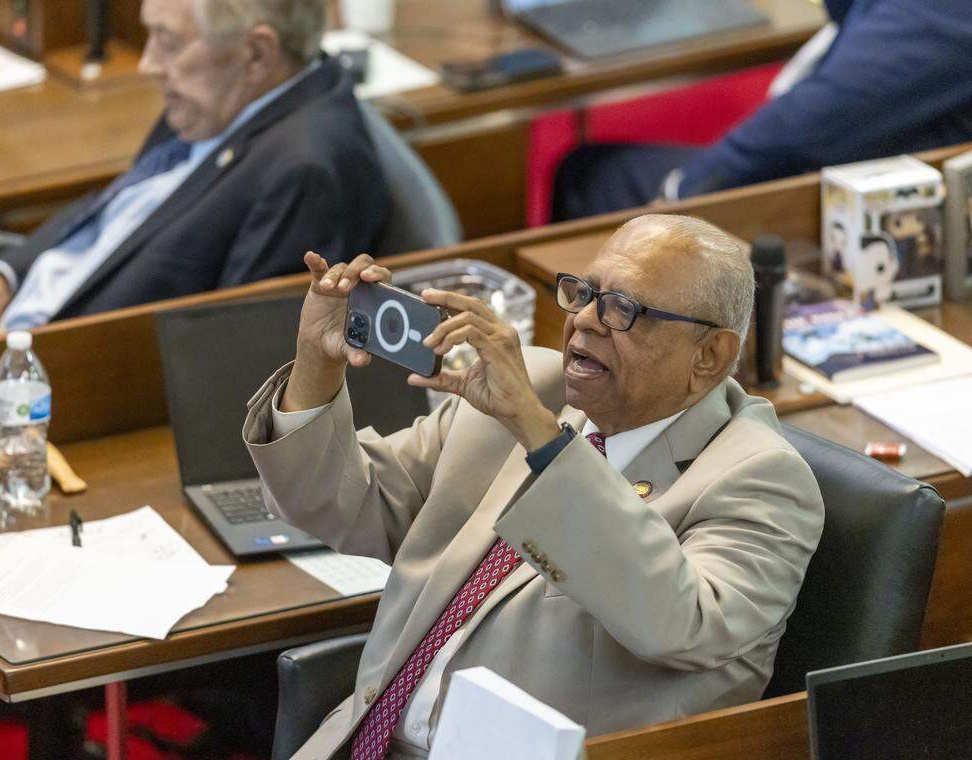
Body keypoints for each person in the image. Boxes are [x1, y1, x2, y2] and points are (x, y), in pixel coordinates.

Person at [243, 214, 825, 759]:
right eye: (584, 293)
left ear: (710, 355)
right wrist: (317, 361)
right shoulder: (534, 387)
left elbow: (682, 625)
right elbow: (338, 505)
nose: (586, 320)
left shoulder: (761, 479)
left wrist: (537, 432)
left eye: (623, 309)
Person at [0, 0, 387, 332]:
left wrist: (18, 358)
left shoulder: (305, 173)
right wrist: (2, 281)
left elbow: (235, 359)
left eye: (168, 41)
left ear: (257, 54)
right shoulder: (221, 97)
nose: (148, 64)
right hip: (9, 319)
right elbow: (113, 217)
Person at [552, 0, 972, 220]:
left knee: (596, 175)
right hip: (871, 168)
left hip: (868, 211)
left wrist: (681, 192)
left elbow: (811, 123)